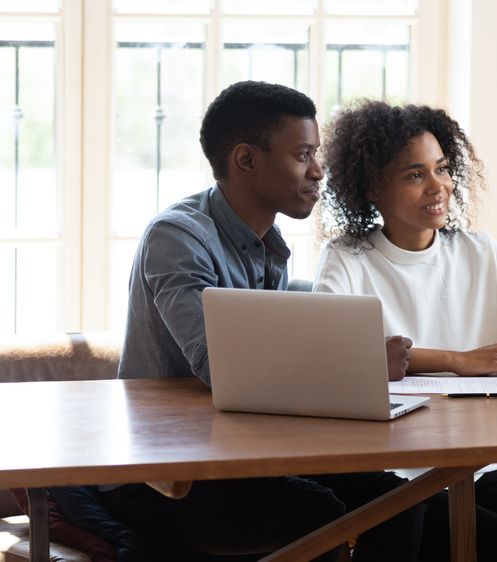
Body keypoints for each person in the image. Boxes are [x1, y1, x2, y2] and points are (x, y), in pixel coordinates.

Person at [98, 81, 423, 562]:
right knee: (318, 512)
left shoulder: (268, 244)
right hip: (166, 471)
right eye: (303, 155)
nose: (319, 172)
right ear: (247, 160)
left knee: (401, 502)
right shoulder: (178, 237)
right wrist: (356, 363)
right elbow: (223, 369)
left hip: (238, 451)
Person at [314, 100, 497, 562]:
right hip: (395, 481)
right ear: (374, 188)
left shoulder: (482, 254)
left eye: (441, 168)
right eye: (415, 175)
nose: (438, 186)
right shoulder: (348, 258)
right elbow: (332, 353)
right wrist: (458, 361)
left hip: (476, 469)